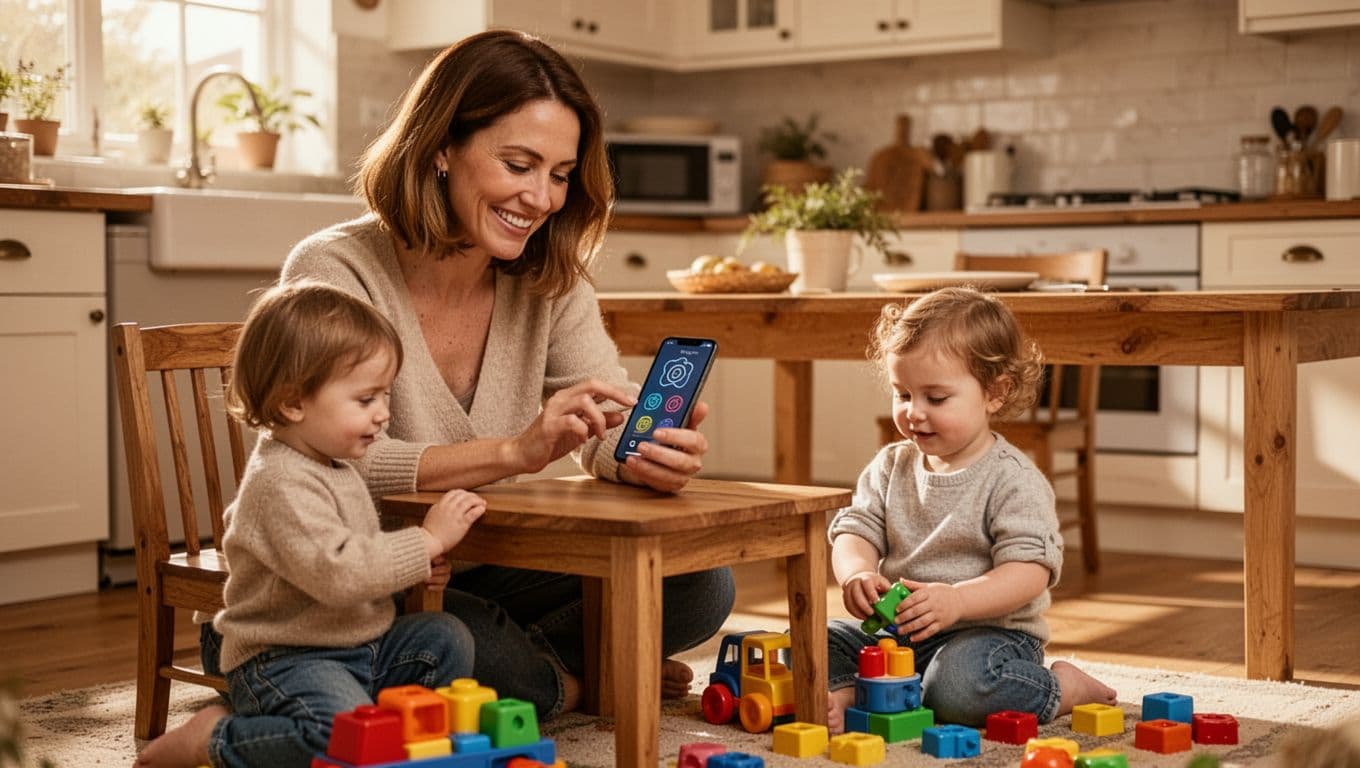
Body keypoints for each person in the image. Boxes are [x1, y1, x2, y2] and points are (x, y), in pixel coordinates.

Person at [262, 29, 733, 719]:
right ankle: (580, 680)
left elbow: (602, 425)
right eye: (519, 164)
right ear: (443, 148)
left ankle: (529, 673)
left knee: (701, 583)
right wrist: (514, 453)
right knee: (464, 641)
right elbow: (328, 461)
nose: (541, 198)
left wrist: (641, 456)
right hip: (365, 570)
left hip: (491, 557)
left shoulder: (550, 279)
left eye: (561, 174)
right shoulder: (337, 270)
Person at [139, 282, 486, 768]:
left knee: (446, 637)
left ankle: (389, 736)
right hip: (285, 658)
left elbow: (356, 551)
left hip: (360, 643)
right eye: (365, 399)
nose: (383, 414)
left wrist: (415, 565)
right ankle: (217, 737)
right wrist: (425, 539)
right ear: (292, 404)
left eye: (385, 395)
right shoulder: (280, 482)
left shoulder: (335, 465)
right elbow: (339, 574)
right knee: (333, 736)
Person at [825, 287, 1117, 732]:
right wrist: (856, 573)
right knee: (810, 640)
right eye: (902, 394)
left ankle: (1060, 688)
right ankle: (855, 691)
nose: (913, 413)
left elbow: (1029, 571)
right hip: (896, 634)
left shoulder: (1012, 479)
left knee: (957, 686)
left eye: (935, 399)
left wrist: (958, 601)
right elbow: (855, 529)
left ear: (994, 393)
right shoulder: (890, 466)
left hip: (989, 638)